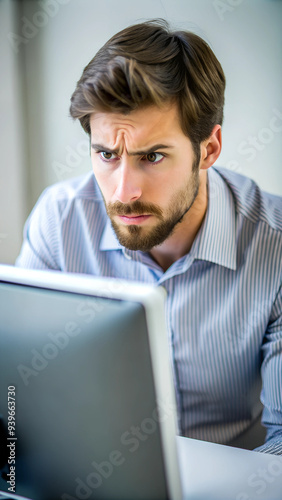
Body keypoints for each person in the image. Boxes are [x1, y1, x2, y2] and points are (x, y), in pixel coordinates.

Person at [16, 19, 282, 454]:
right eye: (106, 154)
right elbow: (21, 395)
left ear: (208, 149)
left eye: (152, 156)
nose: (123, 193)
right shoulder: (58, 222)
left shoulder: (275, 246)